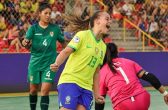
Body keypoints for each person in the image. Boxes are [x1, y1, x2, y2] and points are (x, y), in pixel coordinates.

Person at [50, 11, 112, 110]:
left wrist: (96, 94)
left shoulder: (103, 47)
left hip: (86, 88)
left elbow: (96, 73)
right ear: (97, 21)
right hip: (70, 81)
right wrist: (56, 63)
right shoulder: (83, 35)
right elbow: (66, 51)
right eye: (107, 19)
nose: (110, 22)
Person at [95, 43, 168, 110]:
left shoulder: (102, 72)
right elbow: (149, 76)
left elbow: (100, 100)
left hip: (123, 104)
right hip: (143, 99)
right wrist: (165, 93)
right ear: (117, 52)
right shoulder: (128, 62)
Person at [22, 3, 66, 110]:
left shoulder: (55, 29)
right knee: (33, 90)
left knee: (45, 91)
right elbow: (24, 42)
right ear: (39, 14)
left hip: (49, 64)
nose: (48, 15)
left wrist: (72, 49)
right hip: (35, 63)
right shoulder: (33, 28)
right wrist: (26, 42)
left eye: (49, 13)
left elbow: (64, 43)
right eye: (45, 13)